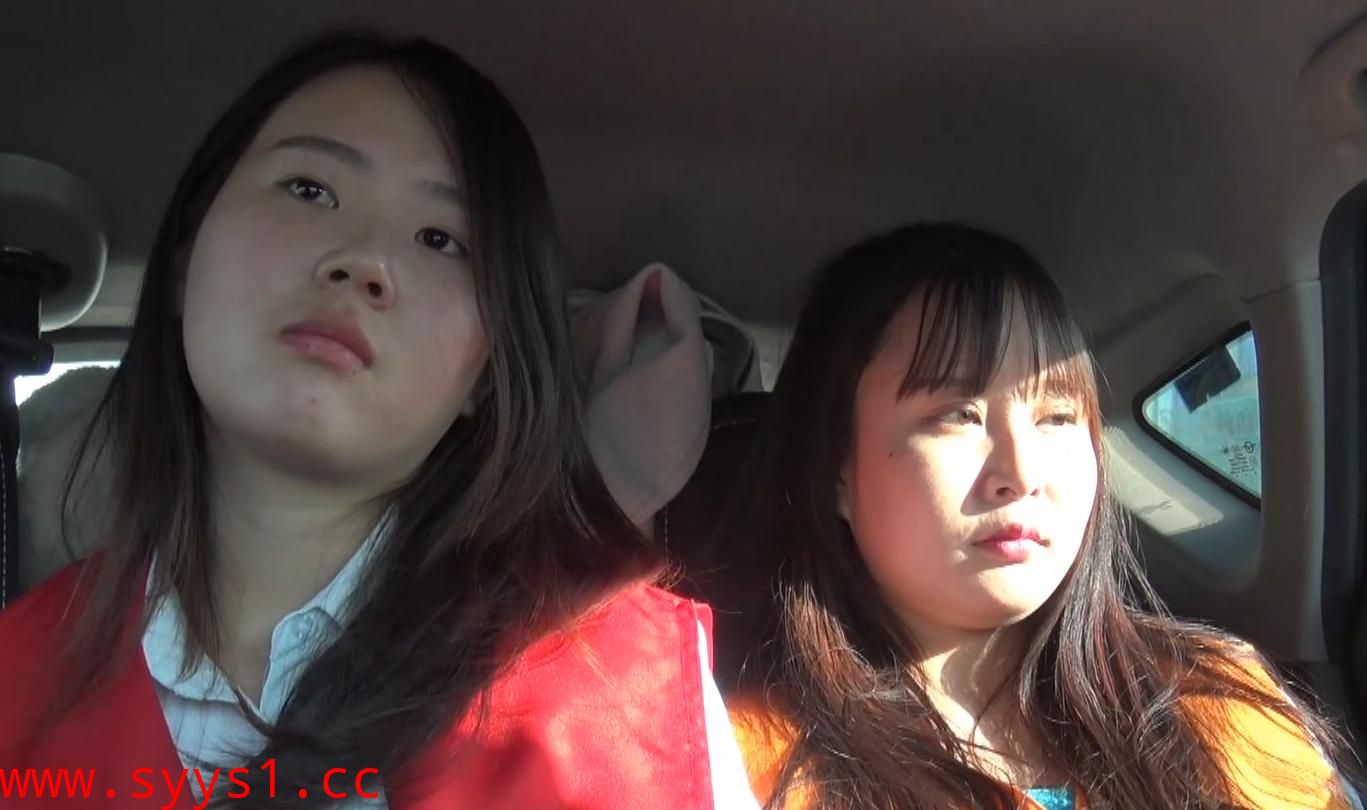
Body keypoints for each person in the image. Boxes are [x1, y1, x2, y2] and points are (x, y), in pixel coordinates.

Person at [0, 31, 753, 810]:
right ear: (186, 263)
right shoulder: (10, 689)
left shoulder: (637, 716)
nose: (363, 261)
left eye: (440, 239)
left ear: (485, 371)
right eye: (308, 190)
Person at [725, 222, 1359, 809]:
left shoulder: (1221, 707)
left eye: (1056, 416)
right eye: (958, 415)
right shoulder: (746, 769)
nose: (1022, 473)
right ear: (837, 469)